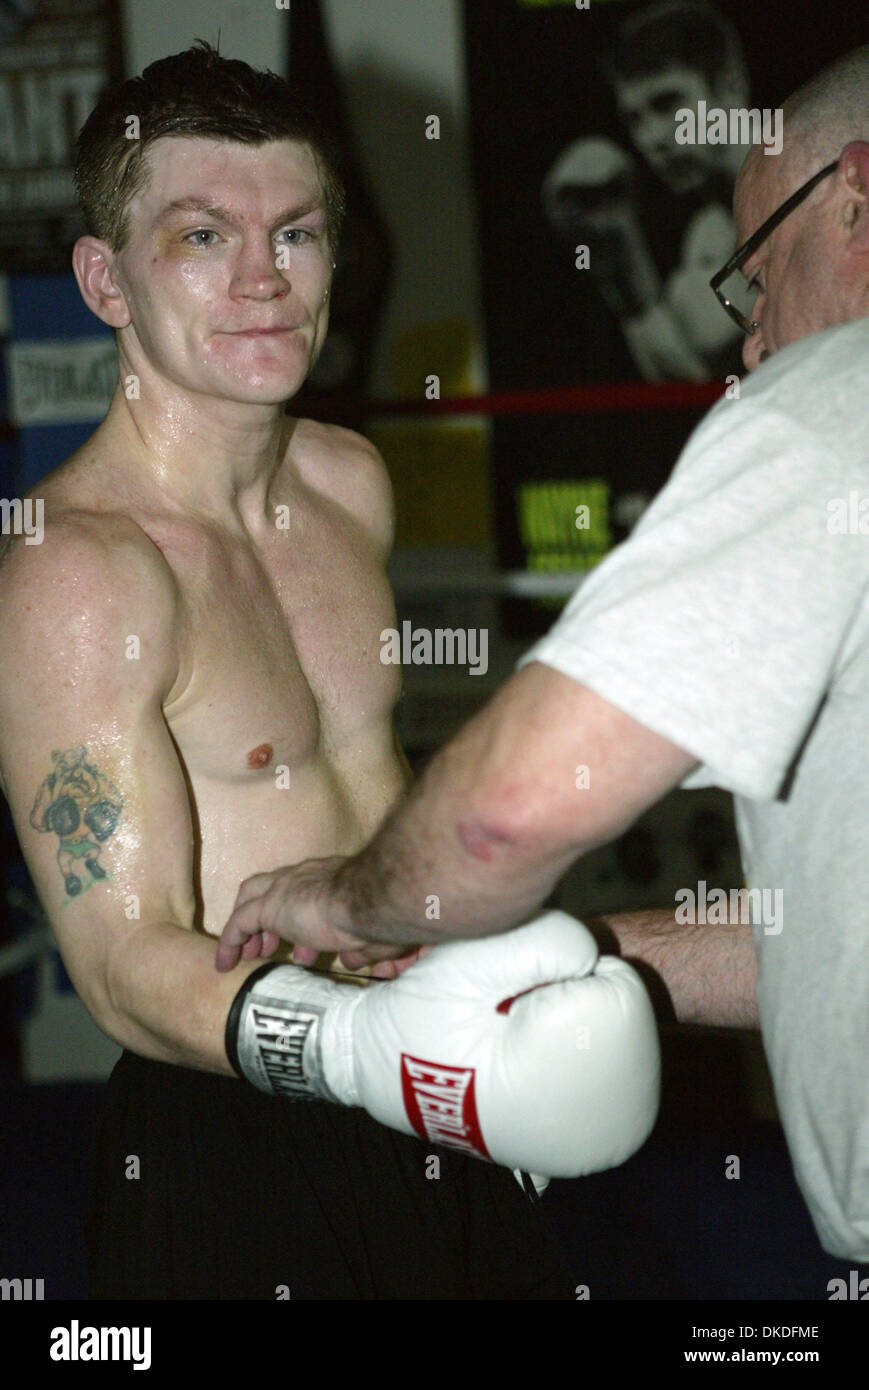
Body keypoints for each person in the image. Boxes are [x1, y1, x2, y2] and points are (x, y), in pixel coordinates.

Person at [218, 45, 869, 1266]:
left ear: (854, 195)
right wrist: (542, 954)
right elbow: (834, 928)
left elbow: (499, 819)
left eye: (755, 274)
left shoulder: (830, 404)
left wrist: (351, 896)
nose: (746, 337)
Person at [0, 39, 617, 1299]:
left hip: (431, 1082)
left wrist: (458, 996)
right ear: (106, 280)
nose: (262, 279)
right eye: (199, 238)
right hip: (234, 1130)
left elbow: (369, 794)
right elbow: (120, 966)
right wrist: (364, 1050)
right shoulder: (75, 572)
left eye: (295, 233)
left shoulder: (347, 482)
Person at [542, 0, 750, 380]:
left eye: (668, 103)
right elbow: (691, 385)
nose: (651, 138)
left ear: (729, 86)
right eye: (634, 119)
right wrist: (618, 262)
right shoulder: (709, 232)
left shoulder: (811, 193)